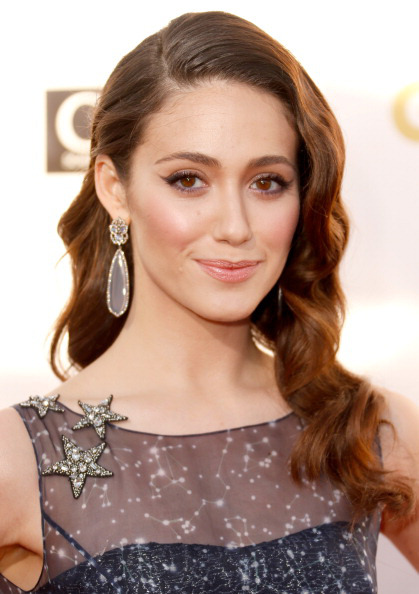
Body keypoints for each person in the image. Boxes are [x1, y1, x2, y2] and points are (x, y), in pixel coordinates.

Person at [0, 11, 418, 593]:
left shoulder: (369, 431)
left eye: (267, 182)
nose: (235, 226)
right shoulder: (20, 461)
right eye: (188, 180)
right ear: (114, 189)